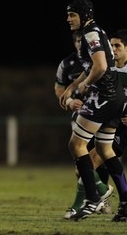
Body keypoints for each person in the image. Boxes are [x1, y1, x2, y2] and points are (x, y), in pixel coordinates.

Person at [60, 0, 127, 221]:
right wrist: (71, 86)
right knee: (105, 149)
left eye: (72, 15)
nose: (68, 19)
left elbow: (100, 66)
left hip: (103, 96)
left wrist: (85, 85)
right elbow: (92, 66)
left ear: (84, 15)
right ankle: (125, 201)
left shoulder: (90, 33)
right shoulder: (95, 30)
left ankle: (92, 197)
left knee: (76, 144)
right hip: (115, 95)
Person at [55, 31, 113, 219]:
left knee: (98, 158)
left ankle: (90, 200)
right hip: (83, 116)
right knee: (81, 163)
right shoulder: (67, 64)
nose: (82, 43)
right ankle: (100, 196)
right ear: (75, 43)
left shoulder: (100, 58)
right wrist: (71, 102)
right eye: (78, 41)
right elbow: (59, 89)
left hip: (103, 112)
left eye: (83, 40)